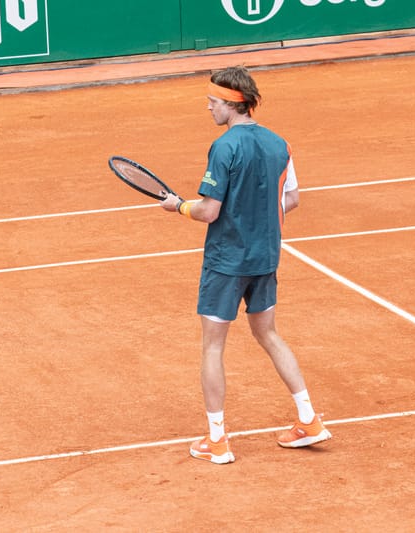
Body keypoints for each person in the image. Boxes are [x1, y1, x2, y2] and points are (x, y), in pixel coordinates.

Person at [159, 66, 331, 464]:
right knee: (269, 335)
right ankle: (309, 419)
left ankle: (217, 441)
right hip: (265, 257)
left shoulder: (224, 147)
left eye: (213, 101)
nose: (208, 107)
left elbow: (208, 211)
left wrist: (178, 206)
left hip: (226, 261)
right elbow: (290, 200)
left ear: (232, 103)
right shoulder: (279, 143)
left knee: (212, 347)